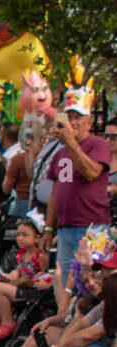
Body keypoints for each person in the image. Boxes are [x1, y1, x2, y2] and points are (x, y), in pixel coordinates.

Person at [44, 90, 113, 282]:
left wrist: (71, 143)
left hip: (92, 228)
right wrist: (48, 229)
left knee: (92, 283)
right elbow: (56, 191)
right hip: (65, 229)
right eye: (69, 117)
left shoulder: (97, 144)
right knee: (65, 282)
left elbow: (91, 173)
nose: (73, 122)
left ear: (89, 122)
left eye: (78, 117)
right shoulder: (60, 153)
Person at [0, 218, 52, 346]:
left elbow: (45, 276)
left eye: (25, 235)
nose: (20, 238)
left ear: (37, 238)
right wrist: (6, 277)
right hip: (21, 284)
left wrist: (37, 279)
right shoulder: (20, 254)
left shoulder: (41, 256)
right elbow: (16, 272)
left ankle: (8, 321)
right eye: (18, 235)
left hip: (33, 289)